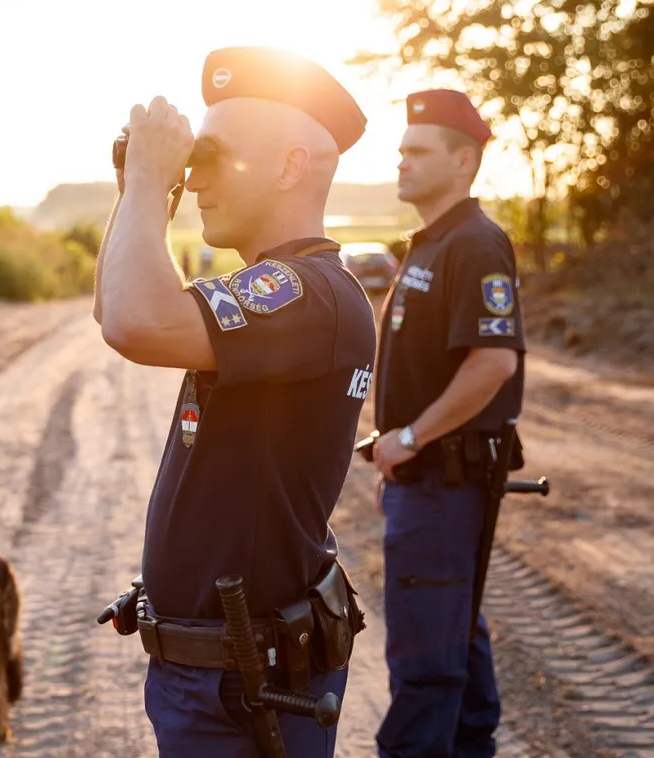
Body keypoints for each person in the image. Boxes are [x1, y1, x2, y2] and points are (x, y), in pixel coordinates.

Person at [94, 47, 377, 757]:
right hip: (216, 679)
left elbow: (136, 321)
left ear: (288, 167)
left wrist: (148, 182)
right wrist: (140, 189)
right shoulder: (281, 288)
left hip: (244, 689)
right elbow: (112, 309)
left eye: (213, 158)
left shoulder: (307, 292)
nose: (196, 180)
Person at [367, 89, 526, 758]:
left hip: (444, 480)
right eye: (401, 149)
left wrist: (410, 438)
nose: (400, 160)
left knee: (426, 658)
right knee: (452, 632)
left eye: (416, 151)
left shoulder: (474, 244)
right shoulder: (431, 243)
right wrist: (401, 453)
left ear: (463, 161)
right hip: (424, 480)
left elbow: (490, 363)